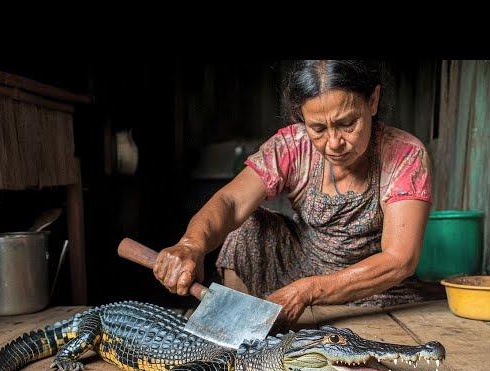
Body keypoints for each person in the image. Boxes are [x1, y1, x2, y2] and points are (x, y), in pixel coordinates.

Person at [153, 60, 432, 332]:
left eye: (347, 124)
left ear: (373, 101)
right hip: (301, 269)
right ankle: (239, 337)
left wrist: (309, 290)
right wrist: (191, 245)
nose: (334, 143)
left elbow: (400, 259)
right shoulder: (293, 146)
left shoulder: (404, 155)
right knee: (247, 230)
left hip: (377, 291)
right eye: (318, 129)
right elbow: (231, 201)